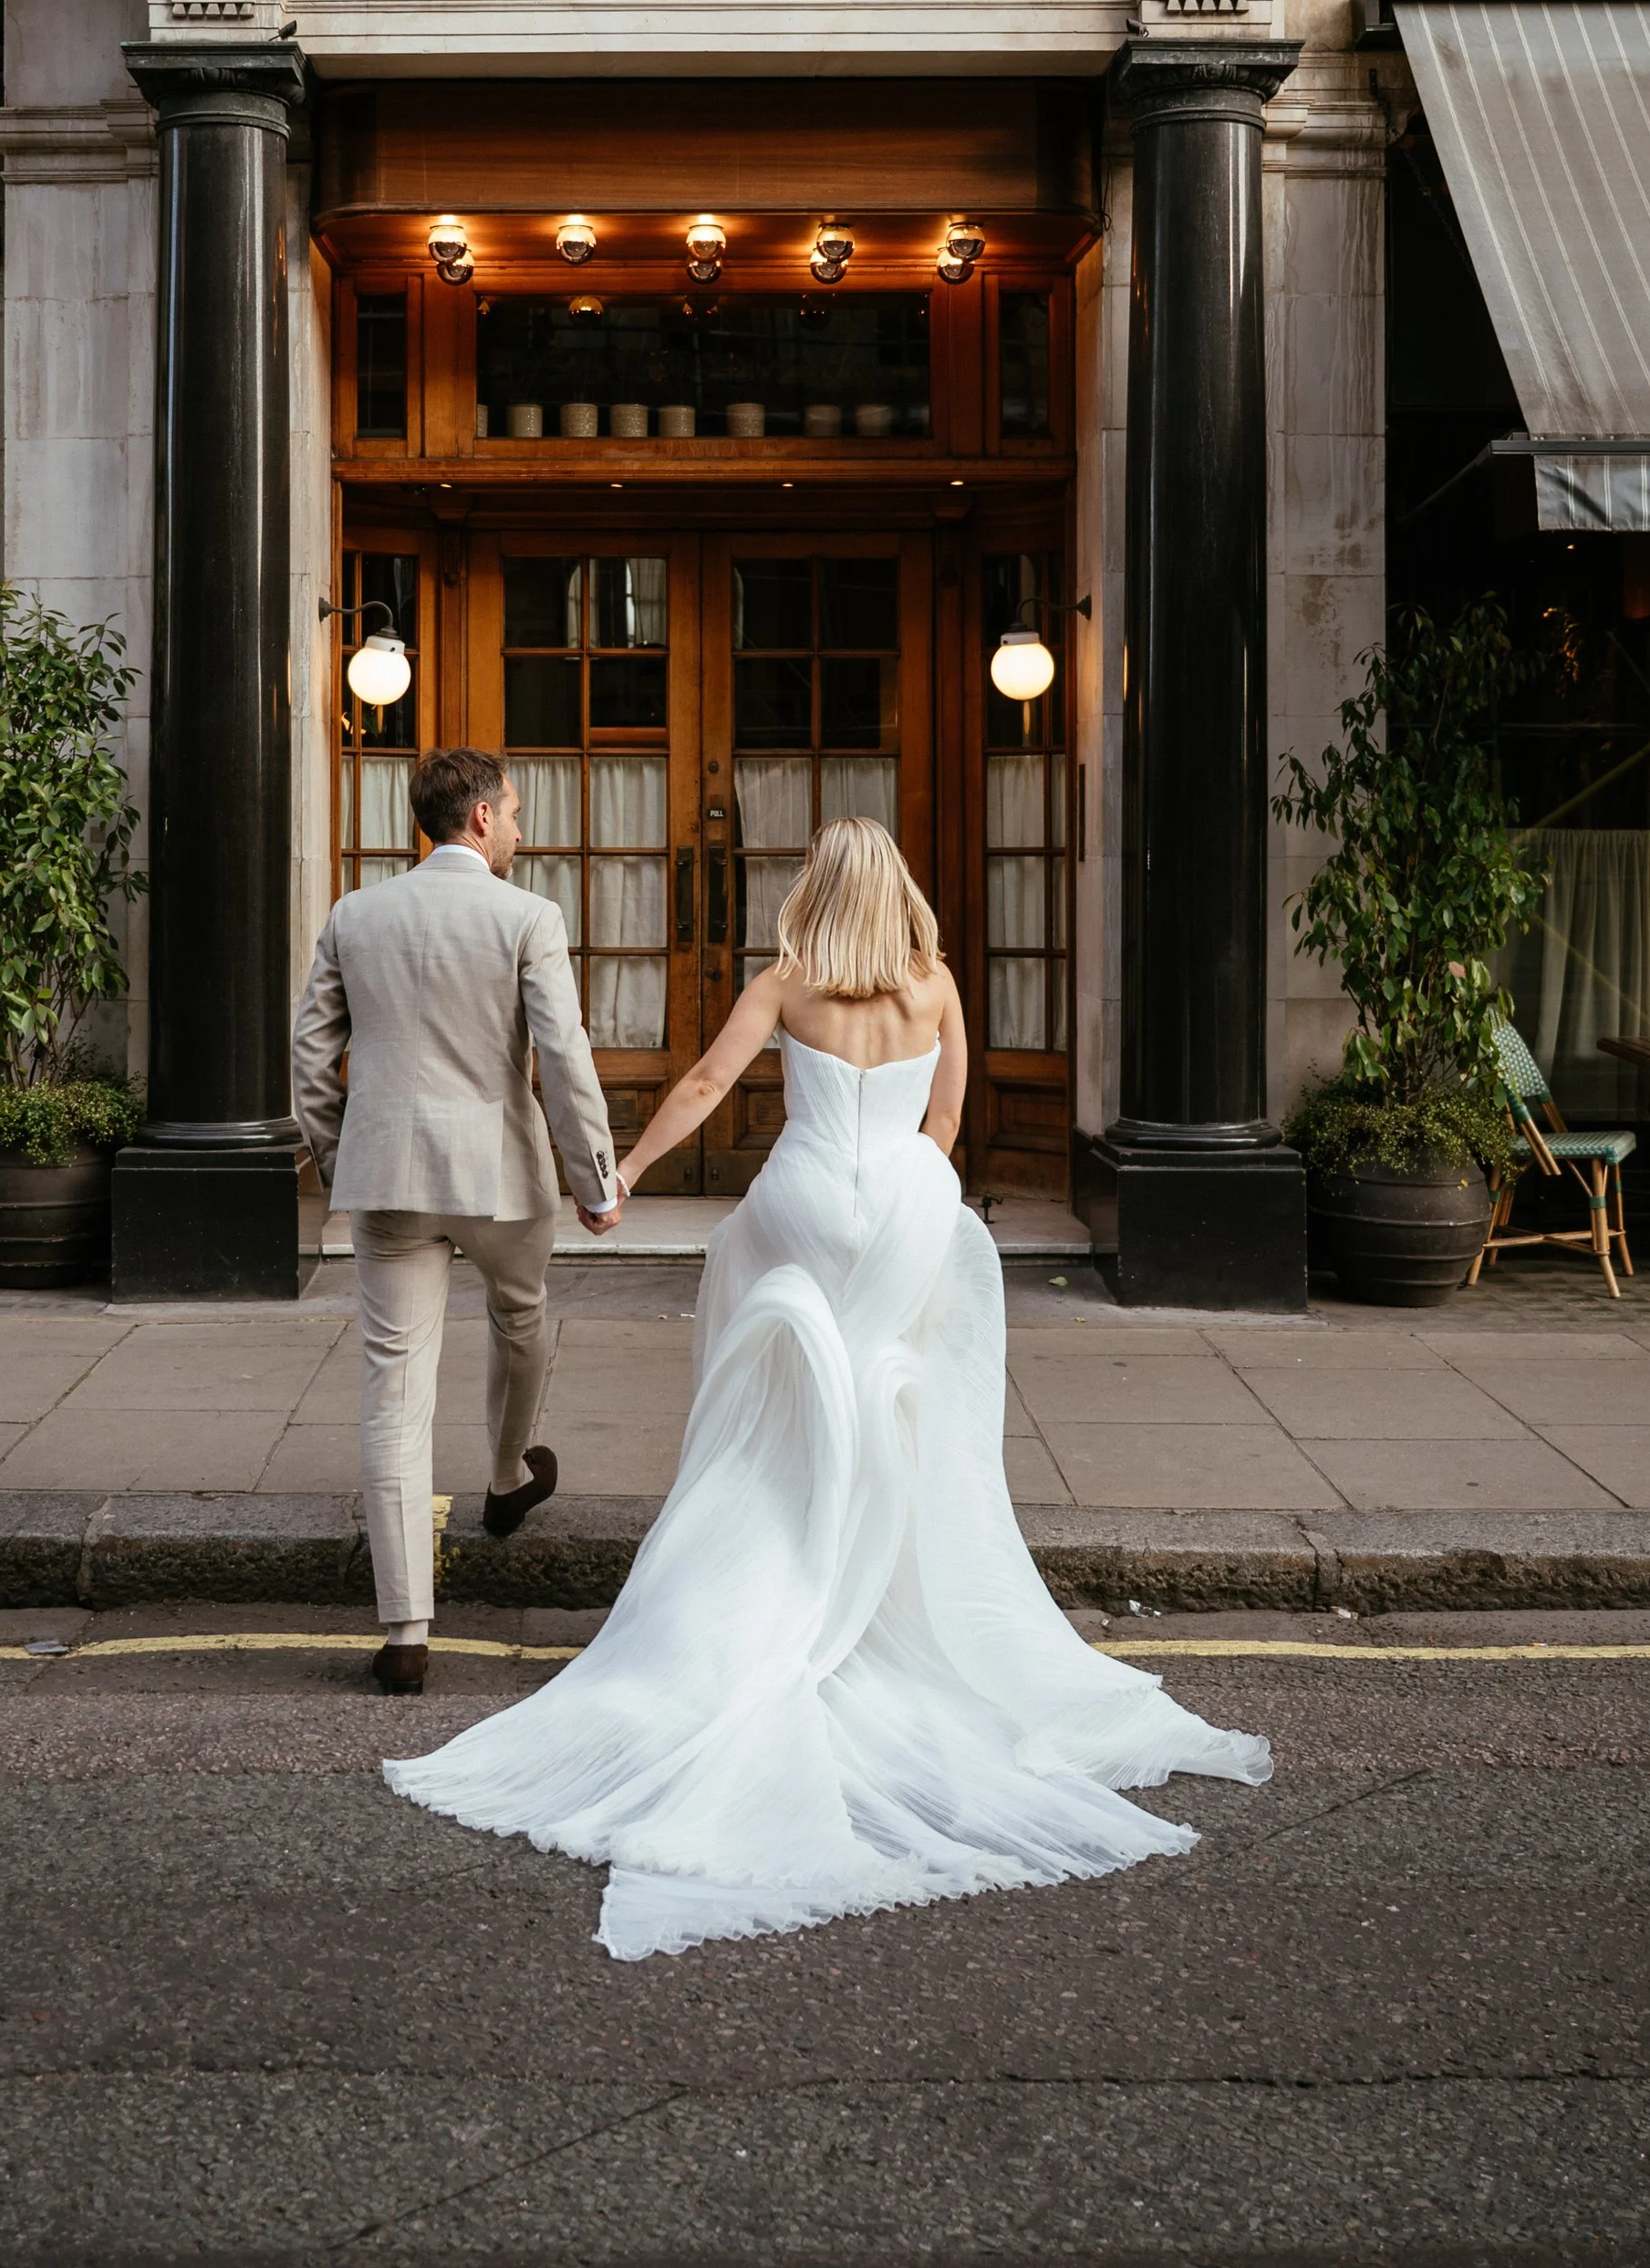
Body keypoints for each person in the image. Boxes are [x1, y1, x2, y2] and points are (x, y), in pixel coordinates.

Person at [386, 815, 1270, 1957]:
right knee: (880, 1393)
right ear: (896, 887)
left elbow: (707, 1080)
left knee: (770, 1395)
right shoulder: (935, 984)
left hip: (802, 1195)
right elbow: (949, 1118)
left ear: (818, 887)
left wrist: (629, 1174)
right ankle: (868, 1600)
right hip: (905, 1198)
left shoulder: (790, 982)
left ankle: (774, 1576)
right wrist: (907, 1191)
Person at [292, 745, 620, 1697]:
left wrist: (335, 1154)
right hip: (498, 1178)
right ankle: (510, 1472)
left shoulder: (357, 913)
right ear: (478, 818)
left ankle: (404, 1629)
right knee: (521, 1319)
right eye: (513, 811)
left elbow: (311, 1055)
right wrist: (594, 1178)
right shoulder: (527, 917)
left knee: (395, 1392)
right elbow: (562, 1056)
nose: (520, 827)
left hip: (389, 1177)